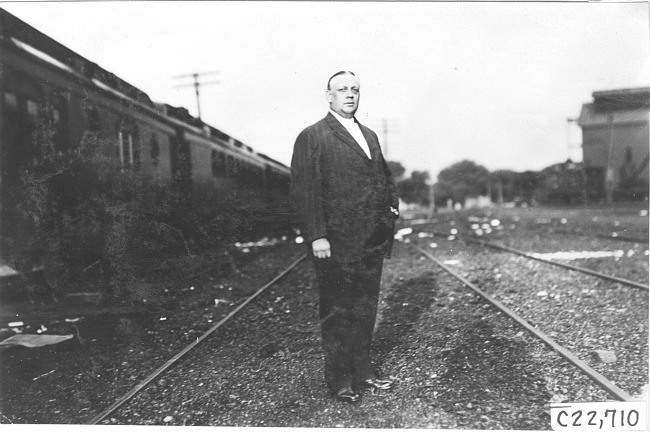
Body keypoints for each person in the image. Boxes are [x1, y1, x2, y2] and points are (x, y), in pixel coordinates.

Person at [290, 71, 399, 403]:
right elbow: (305, 190)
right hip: (335, 243)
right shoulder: (314, 136)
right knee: (338, 312)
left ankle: (363, 371)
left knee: (365, 309)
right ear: (329, 96)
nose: (349, 95)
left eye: (354, 89)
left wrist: (391, 208)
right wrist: (317, 236)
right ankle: (340, 380)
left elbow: (383, 177)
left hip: (370, 241)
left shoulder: (369, 135)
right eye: (342, 90)